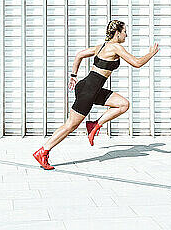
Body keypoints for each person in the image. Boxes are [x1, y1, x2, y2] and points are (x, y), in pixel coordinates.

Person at [33, 20, 160, 170]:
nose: (127, 34)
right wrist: (151, 53)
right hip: (88, 91)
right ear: (117, 33)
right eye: (125, 31)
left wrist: (74, 75)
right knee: (70, 125)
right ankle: (43, 151)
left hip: (91, 88)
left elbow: (79, 55)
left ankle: (94, 124)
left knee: (123, 104)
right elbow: (137, 63)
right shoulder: (116, 47)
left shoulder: (101, 46)